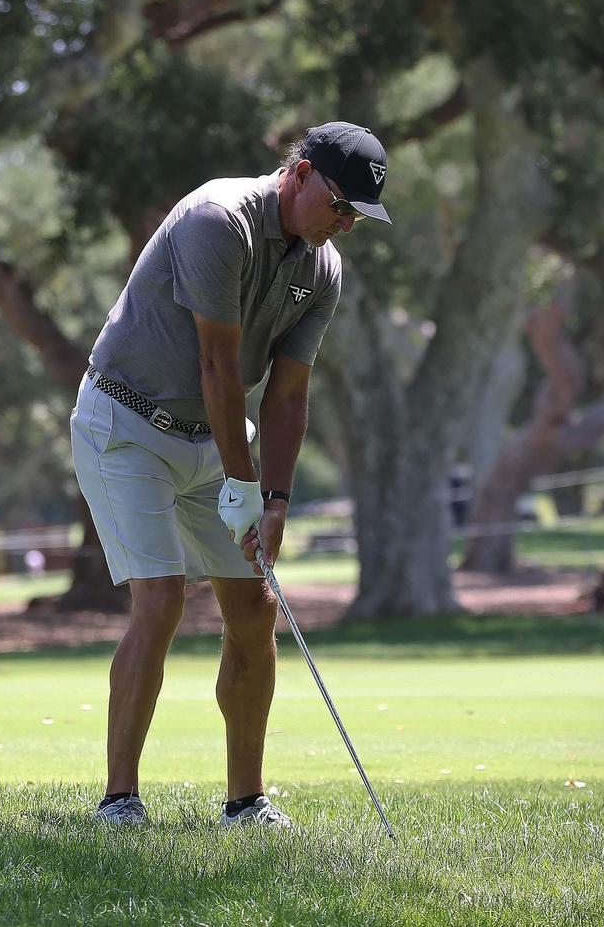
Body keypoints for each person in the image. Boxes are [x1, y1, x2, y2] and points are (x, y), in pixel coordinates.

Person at [71, 122, 392, 829]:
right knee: (160, 598)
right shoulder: (219, 220)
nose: (343, 225)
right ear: (301, 174)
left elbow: (287, 395)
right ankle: (119, 801)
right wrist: (243, 487)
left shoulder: (323, 268)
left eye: (357, 219)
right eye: (339, 205)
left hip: (214, 437)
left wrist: (273, 500)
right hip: (126, 424)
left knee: (254, 607)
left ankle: (246, 803)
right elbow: (217, 367)